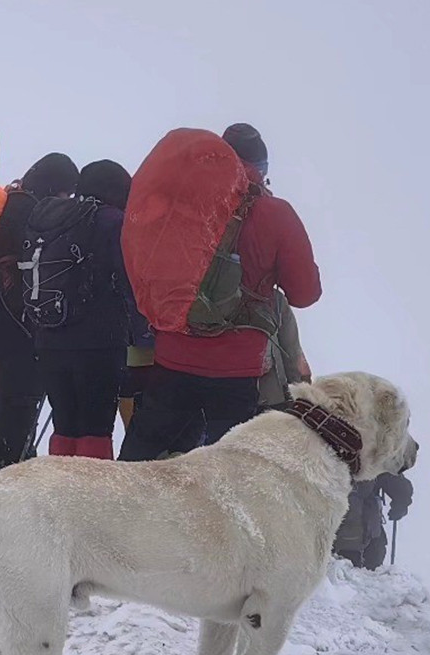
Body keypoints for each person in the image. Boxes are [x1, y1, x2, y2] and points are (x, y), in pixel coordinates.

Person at [119, 122, 322, 461]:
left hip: (172, 357)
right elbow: (305, 293)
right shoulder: (274, 213)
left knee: (138, 461)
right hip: (237, 369)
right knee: (230, 470)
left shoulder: (177, 206)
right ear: (261, 170)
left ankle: (116, 494)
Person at [0, 152, 78, 470]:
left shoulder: (11, 201)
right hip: (14, 313)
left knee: (9, 387)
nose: (65, 200)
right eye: (65, 192)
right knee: (23, 386)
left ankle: (2, 451)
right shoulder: (32, 211)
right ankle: (4, 456)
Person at [33, 159, 133, 459]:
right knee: (96, 426)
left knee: (65, 422)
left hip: (50, 334)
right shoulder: (114, 221)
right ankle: (93, 485)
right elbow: (129, 280)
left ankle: (59, 482)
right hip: (99, 340)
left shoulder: (55, 217)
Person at [334, 474, 414, 569]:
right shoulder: (374, 464)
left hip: (329, 535)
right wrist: (400, 505)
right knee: (369, 573)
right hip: (368, 537)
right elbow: (399, 487)